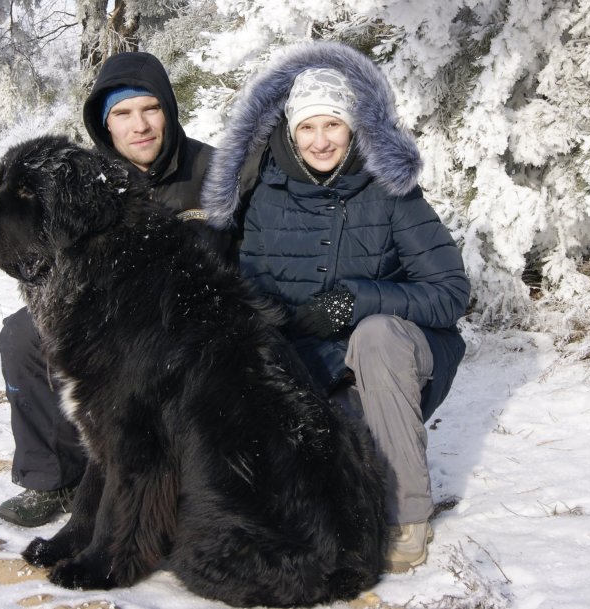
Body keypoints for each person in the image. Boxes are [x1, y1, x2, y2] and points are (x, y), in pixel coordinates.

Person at [202, 41, 471, 572]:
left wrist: (357, 301)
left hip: (397, 353)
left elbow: (450, 293)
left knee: (375, 336)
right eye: (307, 127)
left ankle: (405, 514)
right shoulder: (268, 196)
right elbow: (254, 288)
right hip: (315, 359)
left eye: (333, 126)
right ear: (289, 131)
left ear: (353, 129)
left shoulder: (391, 193)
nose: (320, 140)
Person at [0, 51, 229, 527]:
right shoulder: (79, 180)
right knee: (22, 338)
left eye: (150, 109)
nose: (138, 126)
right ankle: (54, 477)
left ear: (169, 110)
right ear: (104, 124)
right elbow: (45, 257)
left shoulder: (219, 172)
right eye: (122, 114)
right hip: (97, 317)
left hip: (189, 327)